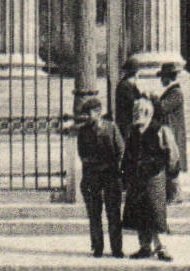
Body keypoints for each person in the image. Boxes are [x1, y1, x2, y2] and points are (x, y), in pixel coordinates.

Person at [121, 95, 178, 260]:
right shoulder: (133, 132)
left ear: (149, 112)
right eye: (136, 112)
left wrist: (172, 175)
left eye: (142, 112)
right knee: (139, 213)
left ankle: (161, 247)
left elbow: (171, 155)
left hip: (154, 177)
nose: (139, 115)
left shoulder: (160, 130)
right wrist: (126, 175)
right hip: (137, 179)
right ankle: (144, 246)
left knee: (155, 214)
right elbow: (128, 155)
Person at [74, 94, 125, 258]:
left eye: (90, 113)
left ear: (98, 112)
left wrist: (115, 168)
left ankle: (117, 248)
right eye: (85, 114)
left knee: (113, 212)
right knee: (94, 213)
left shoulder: (112, 128)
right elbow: (82, 154)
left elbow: (121, 151)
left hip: (111, 176)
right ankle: (97, 247)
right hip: (92, 176)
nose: (87, 117)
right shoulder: (83, 132)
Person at [154, 63, 187, 203]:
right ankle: (173, 194)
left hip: (173, 133)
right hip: (169, 131)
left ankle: (176, 194)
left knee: (172, 163)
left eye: (163, 77)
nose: (161, 80)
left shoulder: (176, 93)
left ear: (169, 77)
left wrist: (153, 99)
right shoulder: (171, 92)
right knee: (169, 163)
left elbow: (162, 108)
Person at [114, 59, 141, 141]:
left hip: (129, 122)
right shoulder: (125, 85)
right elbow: (131, 102)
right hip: (126, 123)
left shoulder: (130, 85)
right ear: (135, 73)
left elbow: (138, 97)